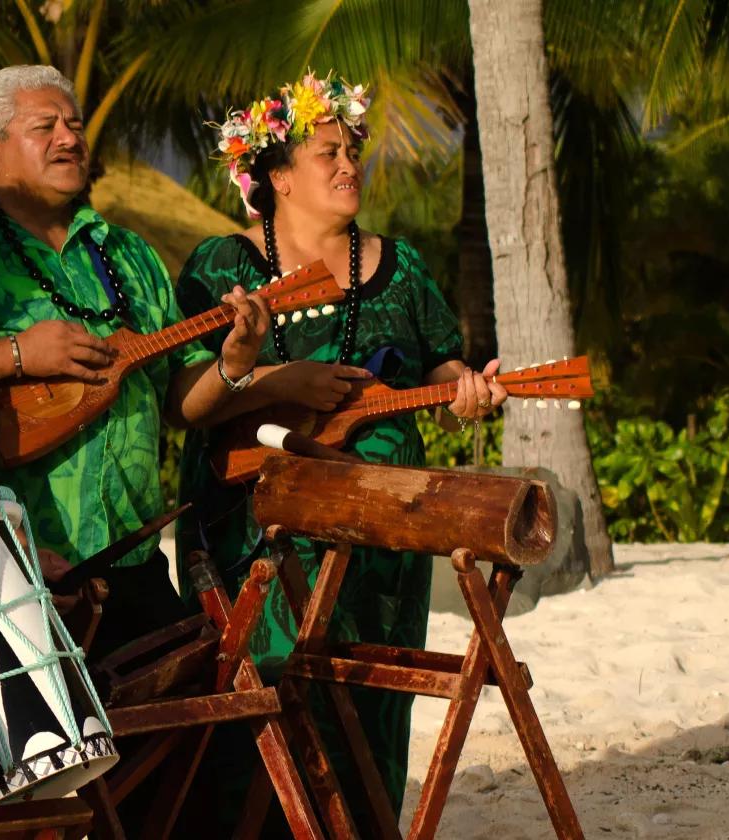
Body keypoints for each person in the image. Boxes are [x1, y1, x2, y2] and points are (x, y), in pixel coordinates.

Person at [174, 72, 507, 830]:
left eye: (352, 148)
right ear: (278, 175)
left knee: (369, 687)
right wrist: (277, 380)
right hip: (250, 523)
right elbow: (184, 399)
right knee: (263, 688)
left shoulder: (404, 268)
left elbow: (441, 368)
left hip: (383, 526)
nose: (349, 164)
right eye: (326, 152)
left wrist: (465, 391)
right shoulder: (219, 270)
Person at [0, 65, 269, 657]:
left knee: (187, 742)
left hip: (138, 558)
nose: (70, 138)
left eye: (74, 124)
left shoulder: (129, 254)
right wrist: (19, 354)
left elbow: (179, 399)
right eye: (45, 126)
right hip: (17, 572)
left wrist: (233, 363)